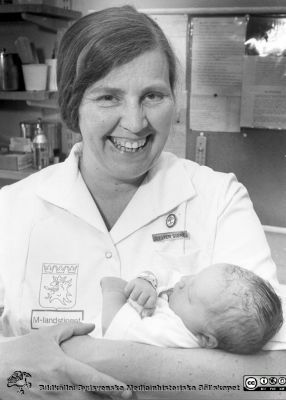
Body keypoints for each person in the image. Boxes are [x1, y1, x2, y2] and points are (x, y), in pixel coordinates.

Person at [0, 4, 286, 399]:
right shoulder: (11, 210)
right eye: (108, 97)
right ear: (72, 105)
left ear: (174, 100)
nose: (135, 122)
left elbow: (274, 381)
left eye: (152, 95)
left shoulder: (218, 198)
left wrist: (91, 359)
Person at [98, 264, 283, 354]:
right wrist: (147, 281)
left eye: (188, 294)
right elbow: (169, 274)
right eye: (194, 277)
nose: (182, 282)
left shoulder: (174, 333)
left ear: (205, 339)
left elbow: (114, 328)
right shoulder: (189, 310)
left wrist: (113, 290)